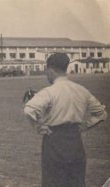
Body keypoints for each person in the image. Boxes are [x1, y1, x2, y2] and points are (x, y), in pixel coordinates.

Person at [24, 53, 107, 187]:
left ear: (50, 71)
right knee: (76, 181)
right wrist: (85, 125)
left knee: (53, 182)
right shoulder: (82, 90)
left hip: (54, 140)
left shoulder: (49, 92)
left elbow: (29, 109)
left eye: (47, 72)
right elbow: (101, 113)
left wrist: (37, 126)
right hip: (75, 140)